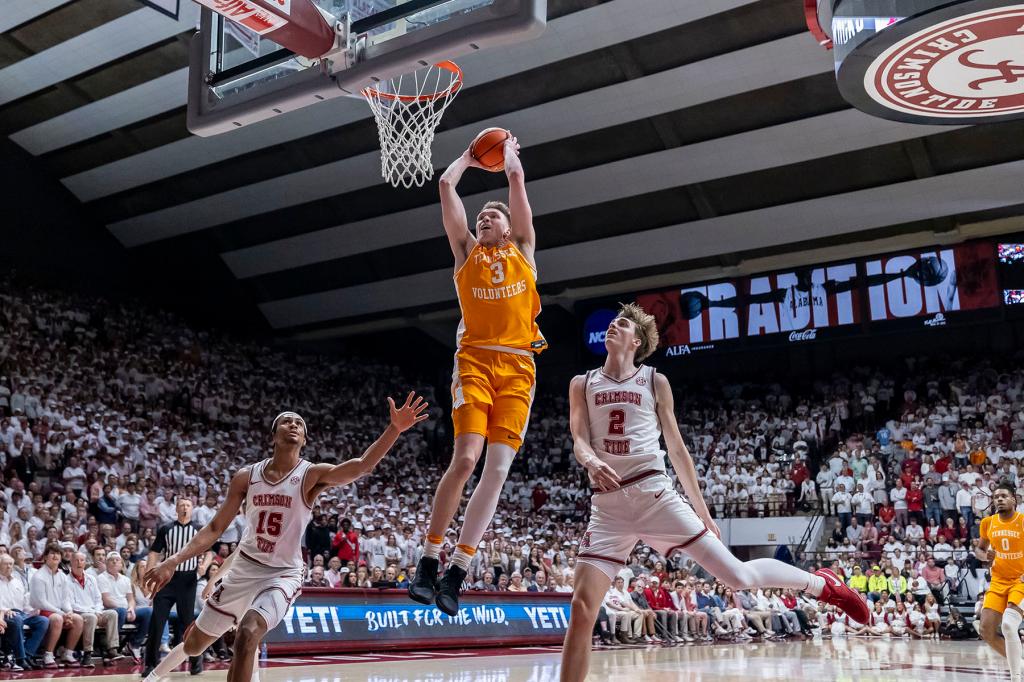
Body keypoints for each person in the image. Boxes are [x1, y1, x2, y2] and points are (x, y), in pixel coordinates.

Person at [558, 303, 869, 682]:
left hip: (655, 494)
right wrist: (590, 461)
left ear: (636, 340)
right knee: (581, 606)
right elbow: (578, 440)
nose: (612, 327)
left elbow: (677, 449)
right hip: (607, 508)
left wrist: (702, 511)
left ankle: (822, 585)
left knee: (737, 576)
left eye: (621, 325)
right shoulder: (582, 383)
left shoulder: (654, 380)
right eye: (611, 323)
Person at [144, 397, 428, 682]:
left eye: (300, 424)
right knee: (194, 645)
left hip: (282, 573)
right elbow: (216, 527)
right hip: (244, 569)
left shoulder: (310, 475)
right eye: (287, 421)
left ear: (304, 439)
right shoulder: (247, 477)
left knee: (248, 632)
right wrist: (172, 561)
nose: (294, 424)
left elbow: (362, 466)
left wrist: (394, 429)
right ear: (273, 435)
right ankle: (176, 654)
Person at [408, 133, 546, 618]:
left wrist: (510, 154)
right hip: (475, 363)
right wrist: (467, 158)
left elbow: (515, 179)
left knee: (499, 469)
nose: (486, 218)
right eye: (482, 216)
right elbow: (446, 188)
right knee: (466, 460)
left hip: (519, 368)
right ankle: (428, 558)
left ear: (509, 229)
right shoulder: (466, 251)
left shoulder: (523, 250)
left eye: (494, 216)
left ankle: (458, 570)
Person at [143, 497, 202, 676]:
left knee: (188, 623)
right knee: (157, 621)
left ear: (192, 509)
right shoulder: (166, 529)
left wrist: (204, 566)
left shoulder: (199, 530)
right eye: (182, 505)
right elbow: (154, 552)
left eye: (188, 505)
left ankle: (195, 661)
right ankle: (150, 664)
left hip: (188, 580)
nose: (185, 507)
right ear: (176, 509)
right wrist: (148, 574)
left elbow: (209, 552)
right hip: (167, 579)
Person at [976, 480, 1024, 682]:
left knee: (1009, 625)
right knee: (986, 630)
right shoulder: (988, 523)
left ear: (1014, 499)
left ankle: (1016, 676)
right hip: (998, 581)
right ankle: (1020, 664)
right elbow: (979, 549)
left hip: (1020, 581)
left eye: (1004, 496)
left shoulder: (1022, 520)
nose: (999, 500)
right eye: (996, 497)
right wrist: (984, 556)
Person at [29, 543, 84, 668]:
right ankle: (48, 655)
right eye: (52, 553)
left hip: (57, 611)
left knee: (78, 619)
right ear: (45, 557)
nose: (55, 556)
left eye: (58, 553)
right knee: (57, 619)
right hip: (40, 610)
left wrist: (69, 612)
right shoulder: (39, 576)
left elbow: (65, 599)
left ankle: (68, 653)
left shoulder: (63, 576)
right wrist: (62, 614)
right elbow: (41, 602)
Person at [67, 551, 120, 667]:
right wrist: (93, 612)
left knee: (112, 613)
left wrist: (98, 610)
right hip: (79, 614)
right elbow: (71, 604)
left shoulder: (91, 578)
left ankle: (112, 649)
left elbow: (98, 599)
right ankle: (87, 654)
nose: (79, 563)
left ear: (85, 563)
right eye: (76, 560)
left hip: (95, 612)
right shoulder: (66, 580)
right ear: (71, 562)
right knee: (91, 617)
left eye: (82, 560)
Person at [0, 552, 48, 671]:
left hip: (21, 613)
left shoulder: (17, 581)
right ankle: (20, 659)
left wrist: (33, 610)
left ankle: (27, 654)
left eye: (11, 564)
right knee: (16, 620)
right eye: (6, 564)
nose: (9, 566)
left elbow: (24, 603)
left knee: (43, 621)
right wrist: (5, 611)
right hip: (5, 613)